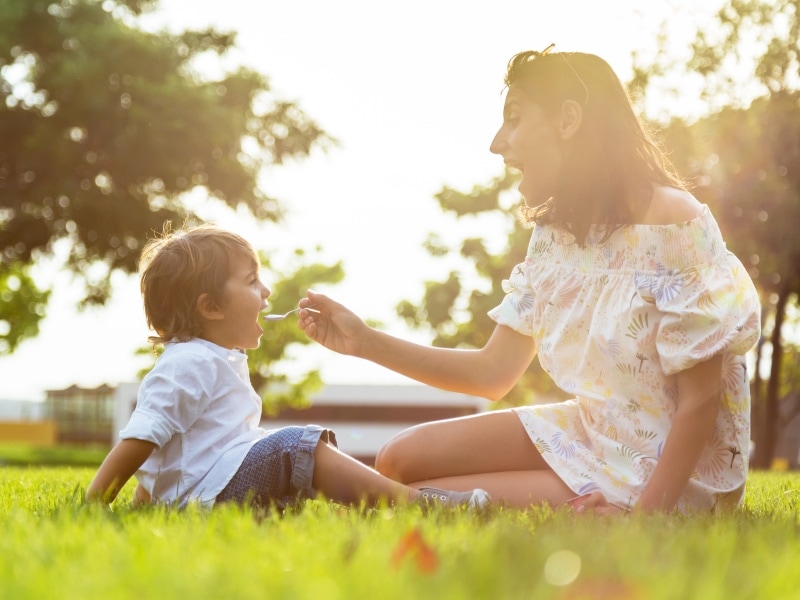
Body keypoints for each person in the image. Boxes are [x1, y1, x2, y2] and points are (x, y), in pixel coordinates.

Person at [297, 45, 761, 514]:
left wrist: (642, 523)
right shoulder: (556, 237)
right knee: (397, 459)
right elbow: (492, 372)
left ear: (568, 120)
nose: (498, 142)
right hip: (593, 430)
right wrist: (364, 342)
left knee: (416, 497)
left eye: (514, 118)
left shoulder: (675, 222)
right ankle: (432, 504)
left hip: (669, 473)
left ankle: (427, 508)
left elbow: (702, 400)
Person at [85, 224, 490, 511]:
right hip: (209, 496)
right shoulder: (190, 362)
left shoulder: (207, 359)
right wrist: (95, 501)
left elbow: (169, 455)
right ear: (210, 307)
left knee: (301, 449)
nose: (267, 291)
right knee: (298, 446)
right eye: (251, 281)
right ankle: (416, 506)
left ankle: (374, 504)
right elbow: (143, 438)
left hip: (210, 492)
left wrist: (150, 502)